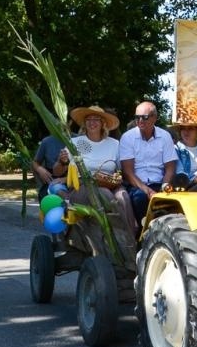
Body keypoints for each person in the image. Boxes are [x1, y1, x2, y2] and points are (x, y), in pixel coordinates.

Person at [63, 104, 138, 264]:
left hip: (109, 183)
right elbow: (58, 170)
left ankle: (132, 241)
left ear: (103, 123)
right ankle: (114, 245)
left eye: (96, 119)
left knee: (123, 196)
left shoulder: (114, 144)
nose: (92, 122)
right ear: (84, 123)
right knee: (107, 196)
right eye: (89, 119)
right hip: (83, 187)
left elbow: (121, 170)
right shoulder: (75, 143)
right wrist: (61, 160)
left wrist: (116, 177)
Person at [118, 101, 176, 221]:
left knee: (175, 202)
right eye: (137, 117)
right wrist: (148, 191)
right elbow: (128, 172)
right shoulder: (127, 137)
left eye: (144, 117)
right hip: (136, 186)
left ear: (154, 118)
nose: (140, 121)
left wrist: (164, 187)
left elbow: (170, 167)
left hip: (160, 183)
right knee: (140, 198)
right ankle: (143, 234)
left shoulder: (165, 136)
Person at [30, 131, 68, 199]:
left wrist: (67, 179)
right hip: (52, 180)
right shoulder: (47, 141)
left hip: (74, 179)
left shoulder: (78, 139)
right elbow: (35, 162)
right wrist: (40, 169)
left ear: (70, 122)